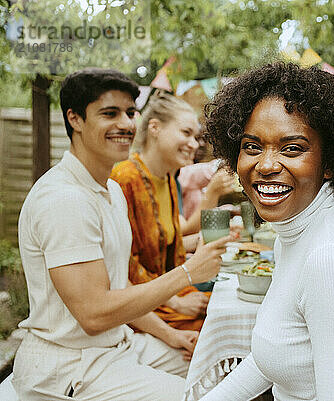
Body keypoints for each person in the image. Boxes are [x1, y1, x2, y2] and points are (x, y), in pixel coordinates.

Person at [13, 68, 231, 401]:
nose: (127, 124)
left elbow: (119, 283)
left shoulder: (111, 191)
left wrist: (171, 336)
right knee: (203, 396)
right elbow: (95, 312)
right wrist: (188, 272)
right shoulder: (63, 199)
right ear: (75, 119)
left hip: (118, 345)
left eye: (130, 113)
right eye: (109, 113)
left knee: (220, 364)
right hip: (70, 367)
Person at [194, 62, 334, 400]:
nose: (265, 165)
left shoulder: (330, 260)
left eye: (292, 148)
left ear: (332, 163)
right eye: (252, 146)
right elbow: (273, 358)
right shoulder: (296, 234)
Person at [110, 92, 219, 332]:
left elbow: (172, 248)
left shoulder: (168, 179)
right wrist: (176, 301)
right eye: (186, 133)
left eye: (196, 136)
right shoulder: (125, 179)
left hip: (170, 292)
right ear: (155, 128)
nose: (195, 144)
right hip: (141, 306)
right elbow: (123, 267)